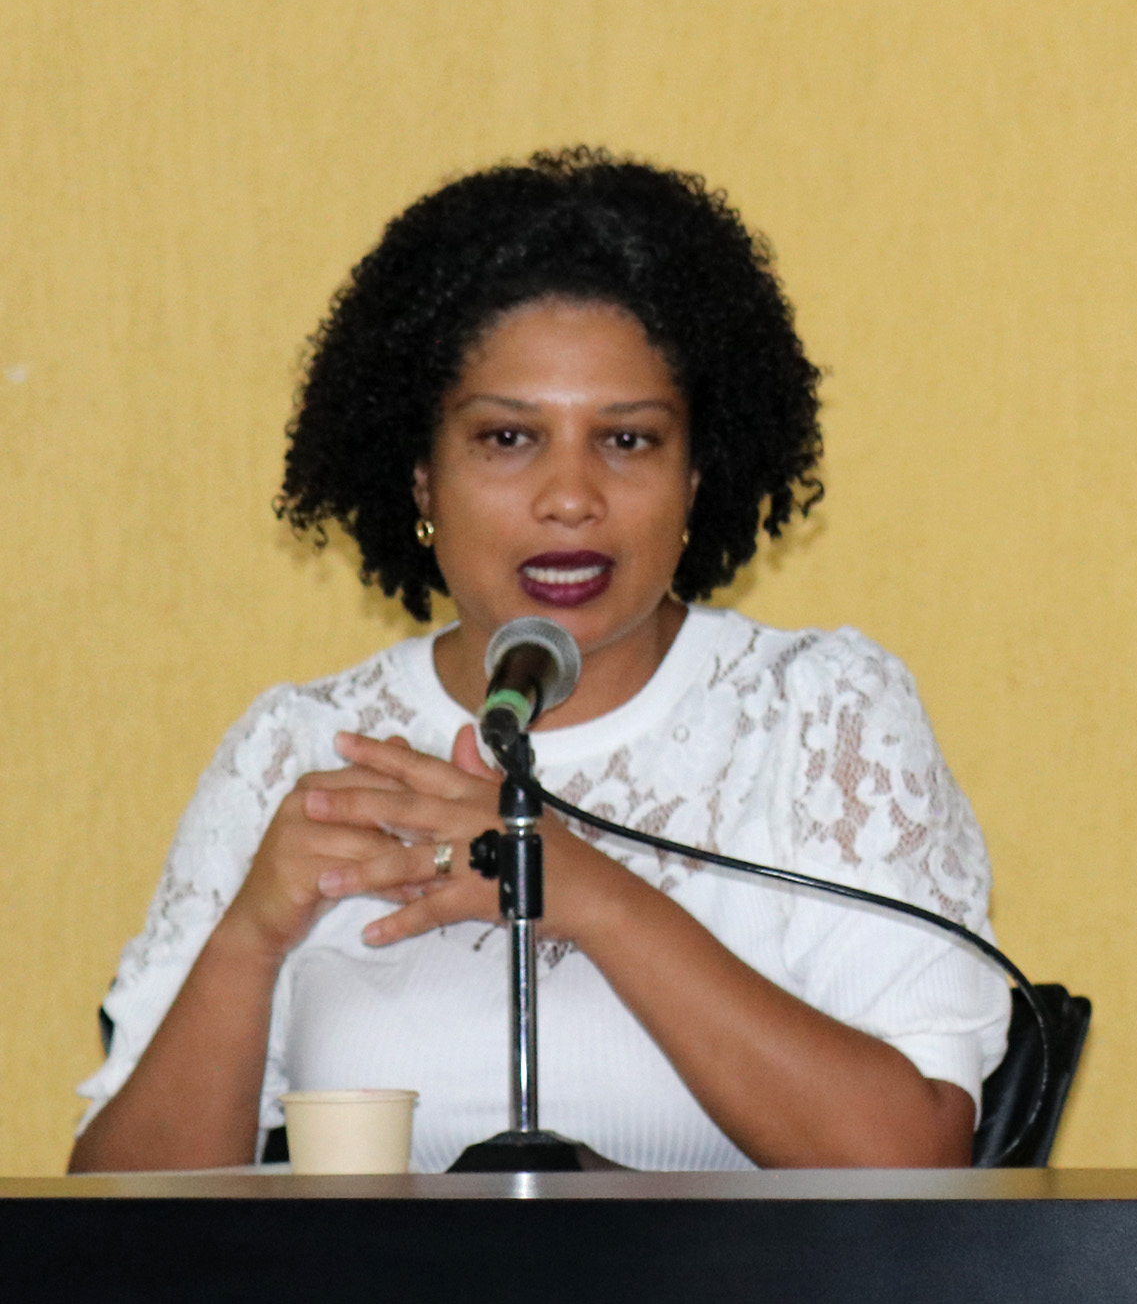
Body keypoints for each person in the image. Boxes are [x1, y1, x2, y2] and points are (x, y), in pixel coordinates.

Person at [72, 150, 1009, 1173]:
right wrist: (249, 942)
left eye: (629, 441)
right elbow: (115, 1226)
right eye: (510, 437)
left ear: (697, 476)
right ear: (422, 478)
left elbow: (911, 1159)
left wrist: (590, 893)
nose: (571, 496)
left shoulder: (819, 720)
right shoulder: (295, 753)